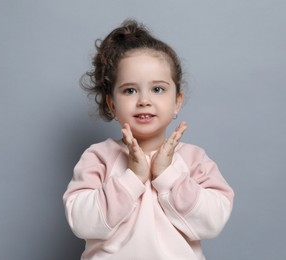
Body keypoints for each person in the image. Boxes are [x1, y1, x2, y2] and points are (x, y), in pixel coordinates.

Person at [63, 19, 234, 260]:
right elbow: (82, 222)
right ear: (112, 104)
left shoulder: (194, 159)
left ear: (177, 102)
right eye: (130, 90)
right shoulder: (98, 157)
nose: (144, 100)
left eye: (157, 89)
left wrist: (167, 176)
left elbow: (212, 222)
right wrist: (132, 178)